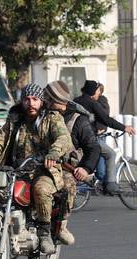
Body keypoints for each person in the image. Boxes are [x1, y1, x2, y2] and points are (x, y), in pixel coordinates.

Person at [0, 83, 74, 254]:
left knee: (41, 189)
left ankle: (44, 233)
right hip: (16, 170)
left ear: (41, 101)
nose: (31, 103)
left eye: (35, 99)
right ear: (22, 101)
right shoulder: (15, 120)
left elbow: (63, 138)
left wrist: (53, 153)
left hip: (44, 169)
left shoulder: (52, 118)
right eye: (27, 99)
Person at [44, 80, 100, 245]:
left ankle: (60, 226)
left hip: (64, 168)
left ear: (59, 101)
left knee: (67, 186)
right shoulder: (41, 115)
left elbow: (94, 147)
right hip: (39, 164)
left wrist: (85, 168)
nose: (44, 102)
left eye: (48, 98)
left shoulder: (78, 121)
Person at [74, 80, 135, 194]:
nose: (99, 94)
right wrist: (124, 127)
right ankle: (110, 185)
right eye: (98, 91)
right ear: (93, 92)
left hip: (74, 138)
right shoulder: (92, 103)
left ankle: (94, 180)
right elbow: (106, 119)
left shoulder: (76, 101)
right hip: (87, 139)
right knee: (111, 154)